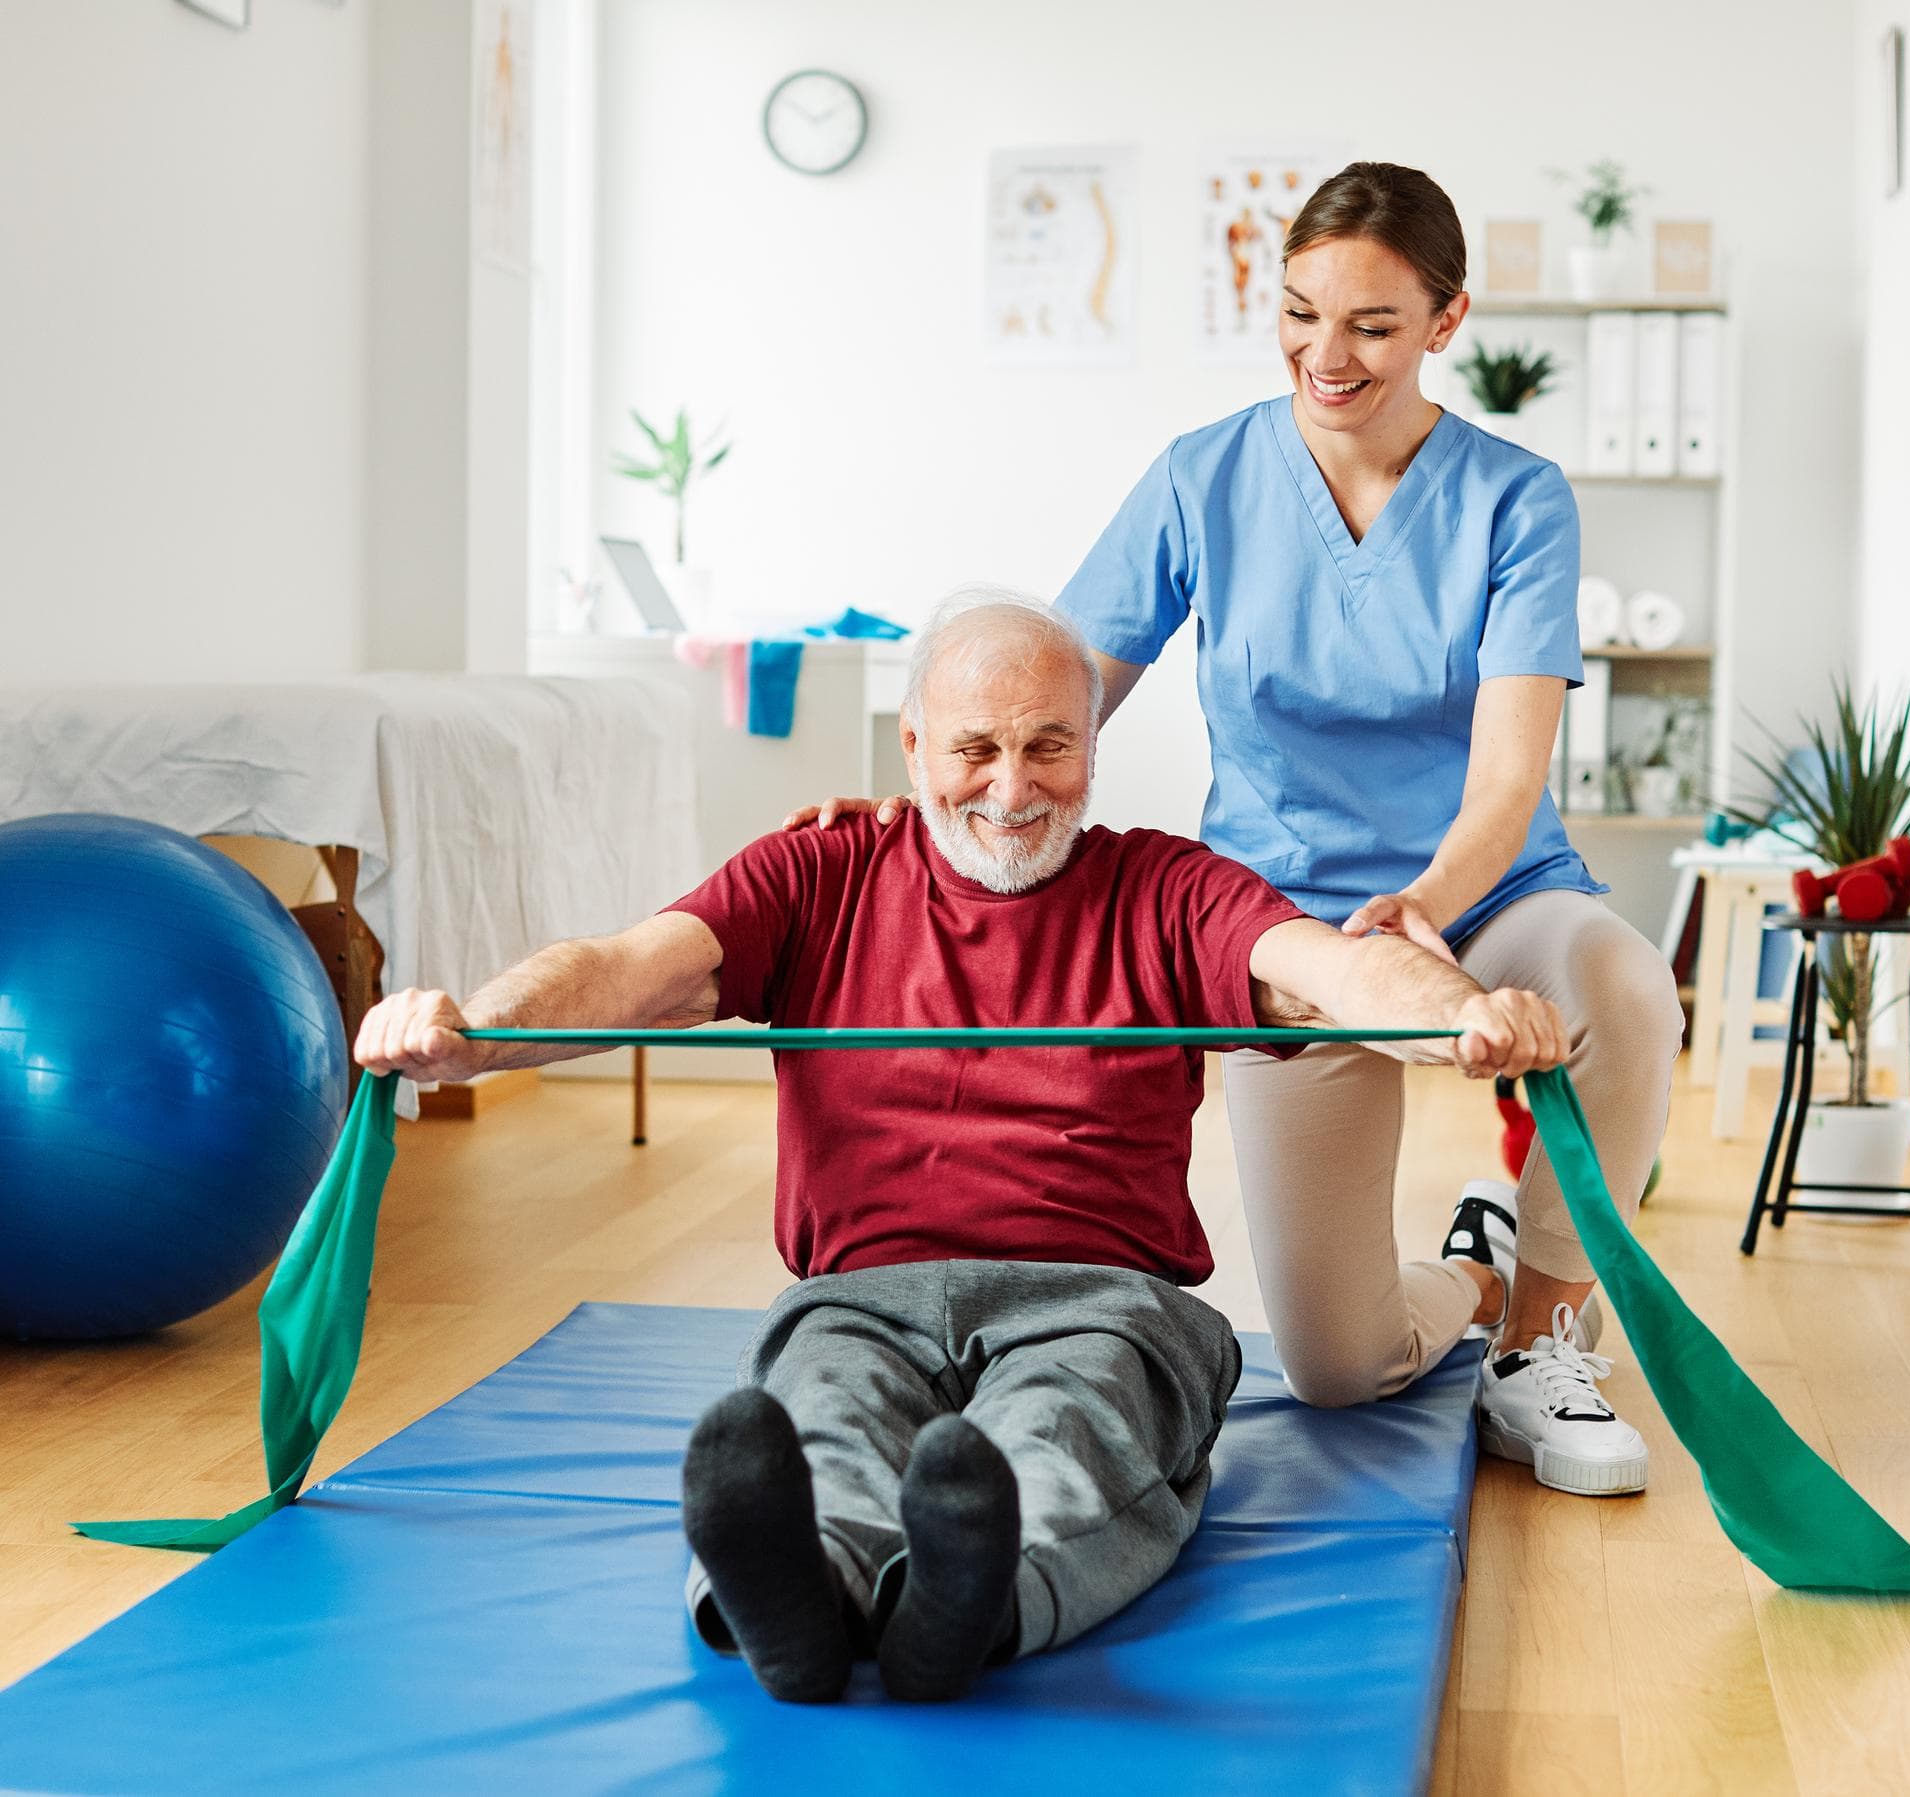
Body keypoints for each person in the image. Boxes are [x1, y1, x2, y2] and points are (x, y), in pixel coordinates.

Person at [356, 597, 1567, 1704]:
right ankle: (807, 1596)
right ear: (912, 751)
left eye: (1048, 744)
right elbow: (623, 970)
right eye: (974, 748)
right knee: (821, 1413)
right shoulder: (815, 872)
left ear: (1092, 749)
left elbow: (1336, 968)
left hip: (1101, 1304)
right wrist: (475, 1031)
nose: (1010, 787)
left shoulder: (1166, 886)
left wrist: (1459, 1007)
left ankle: (970, 1609)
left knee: (1067, 1427)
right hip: (857, 1297)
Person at [785, 163, 1684, 1499]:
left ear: (1447, 322)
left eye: (1373, 325)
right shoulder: (1204, 478)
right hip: (1286, 930)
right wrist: (933, 804)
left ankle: (1544, 1344)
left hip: (1484, 891)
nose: (1328, 354)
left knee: (1621, 980)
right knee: (1337, 1365)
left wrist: (1429, 912)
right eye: (1301, 311)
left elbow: (1506, 778)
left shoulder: (1515, 497)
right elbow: (1057, 694)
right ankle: (1482, 1260)